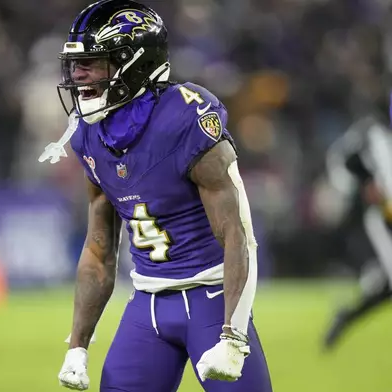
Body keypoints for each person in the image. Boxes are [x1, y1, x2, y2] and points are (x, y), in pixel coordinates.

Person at [38, 1, 272, 391]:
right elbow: (99, 249)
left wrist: (234, 333)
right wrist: (77, 346)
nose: (78, 76)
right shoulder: (89, 134)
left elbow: (238, 234)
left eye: (93, 63)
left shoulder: (184, 118)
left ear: (135, 64)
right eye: (75, 64)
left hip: (211, 298)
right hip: (147, 303)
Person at [323, 114, 392, 350]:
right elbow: (338, 159)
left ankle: (347, 317)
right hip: (382, 216)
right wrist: (360, 186)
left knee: (387, 285)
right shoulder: (369, 132)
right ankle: (347, 316)